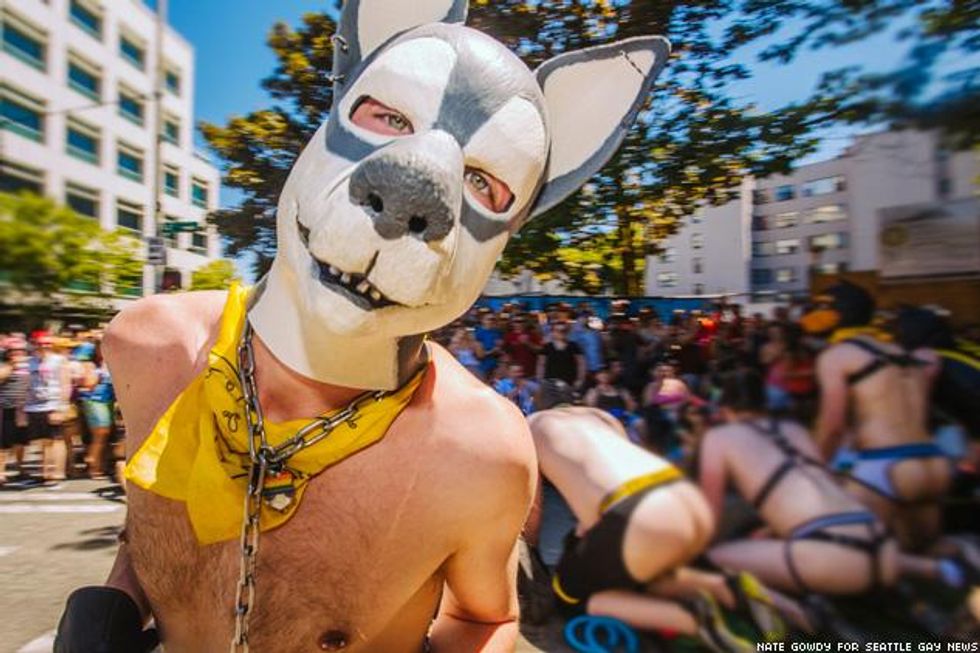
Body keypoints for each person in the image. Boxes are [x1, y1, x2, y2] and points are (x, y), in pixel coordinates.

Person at [54, 2, 670, 650]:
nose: (411, 193)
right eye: (387, 117)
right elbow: (150, 527)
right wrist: (113, 603)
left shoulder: (482, 451)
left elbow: (486, 616)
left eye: (486, 185)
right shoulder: (146, 345)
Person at [526, 381, 789, 652]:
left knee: (571, 596)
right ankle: (726, 587)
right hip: (682, 495)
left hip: (639, 515)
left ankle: (693, 619)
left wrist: (532, 550)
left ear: (537, 404)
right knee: (638, 574)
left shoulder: (532, 425)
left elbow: (533, 507)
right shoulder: (600, 416)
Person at [698, 368, 965, 598]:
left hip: (831, 559)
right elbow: (821, 487)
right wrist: (770, 529)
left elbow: (709, 519)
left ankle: (802, 616)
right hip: (880, 541)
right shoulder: (796, 430)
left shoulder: (720, 437)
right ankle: (932, 569)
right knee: (835, 544)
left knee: (714, 558)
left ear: (724, 409)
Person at [805, 283, 950, 552]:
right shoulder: (903, 353)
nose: (813, 314)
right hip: (932, 460)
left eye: (823, 307)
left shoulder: (837, 356)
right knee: (924, 552)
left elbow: (832, 427)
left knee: (858, 553)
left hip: (885, 464)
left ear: (839, 313)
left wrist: (816, 469)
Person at [23, 335, 72, 483]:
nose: (43, 347)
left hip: (52, 404)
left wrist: (61, 406)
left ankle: (58, 471)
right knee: (43, 441)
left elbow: (65, 384)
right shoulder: (30, 362)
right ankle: (46, 471)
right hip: (34, 406)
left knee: (56, 439)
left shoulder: (59, 361)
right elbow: (26, 386)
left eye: (47, 344)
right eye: (40, 344)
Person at [0, 338, 30, 485]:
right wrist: (12, 366)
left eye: (20, 351)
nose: (17, 353)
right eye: (13, 351)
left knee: (20, 441)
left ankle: (21, 467)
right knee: (4, 443)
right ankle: (1, 471)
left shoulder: (29, 366)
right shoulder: (5, 366)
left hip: (24, 408)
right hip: (6, 408)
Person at [536, 321, 585, 389]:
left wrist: (580, 380)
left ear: (567, 332)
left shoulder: (574, 346)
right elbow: (541, 364)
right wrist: (540, 380)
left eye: (563, 330)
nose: (561, 332)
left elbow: (581, 364)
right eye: (557, 330)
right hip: (550, 384)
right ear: (553, 332)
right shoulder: (546, 347)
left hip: (569, 384)